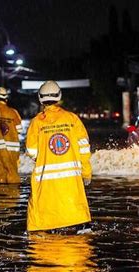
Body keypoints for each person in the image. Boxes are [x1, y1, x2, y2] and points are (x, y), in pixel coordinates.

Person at [26, 80, 92, 232]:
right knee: (78, 229)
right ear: (59, 96)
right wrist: (86, 172)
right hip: (71, 185)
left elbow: (32, 151)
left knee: (43, 231)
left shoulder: (36, 123)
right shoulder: (72, 119)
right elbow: (84, 148)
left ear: (40, 98)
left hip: (46, 185)